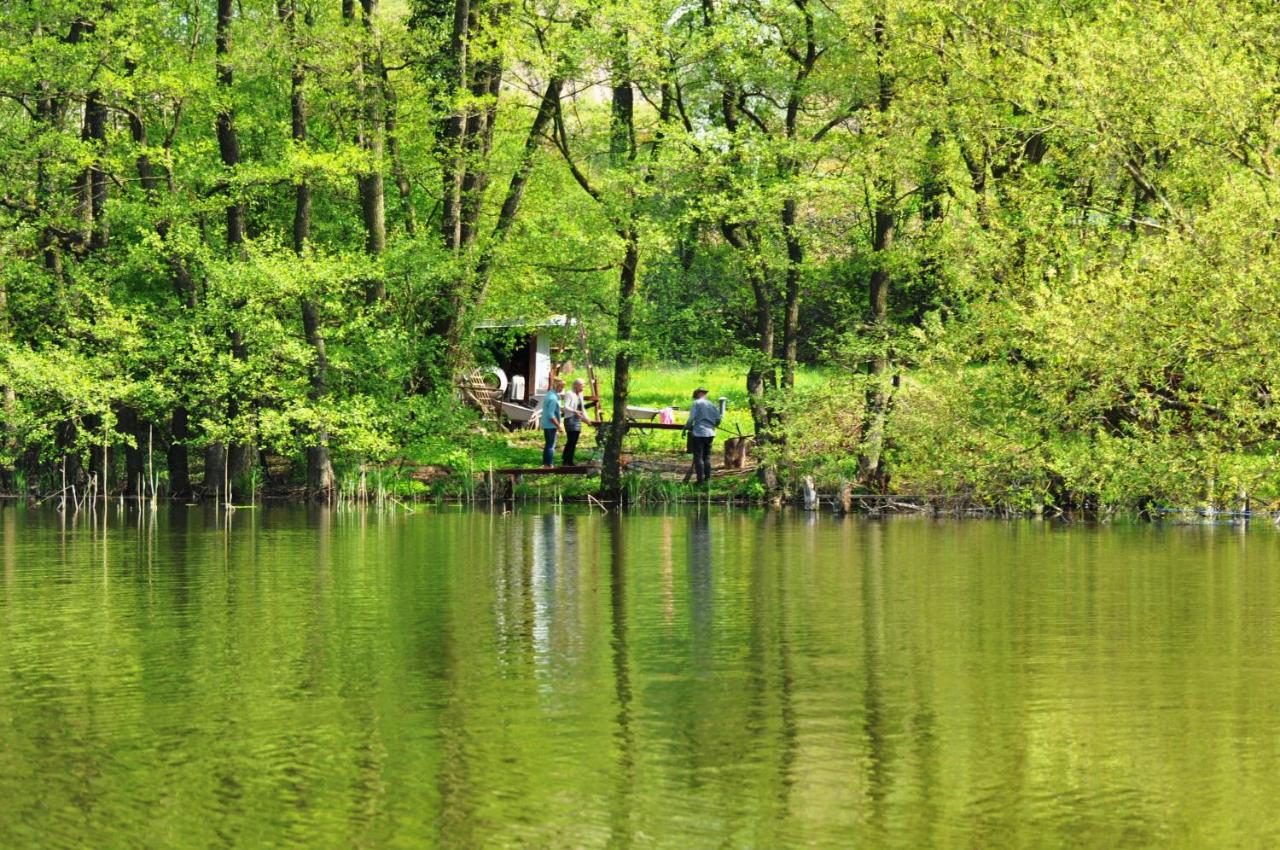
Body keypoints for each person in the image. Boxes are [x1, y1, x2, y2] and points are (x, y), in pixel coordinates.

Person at [683, 387, 722, 484]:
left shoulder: (696, 403)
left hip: (699, 433)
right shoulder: (711, 404)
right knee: (707, 457)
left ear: (697, 394)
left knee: (698, 457)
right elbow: (718, 419)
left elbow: (691, 418)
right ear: (704, 394)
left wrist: (685, 428)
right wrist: (713, 425)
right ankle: (708, 479)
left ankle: (700, 480)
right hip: (710, 433)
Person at [561, 378, 587, 466]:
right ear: (576, 385)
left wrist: (587, 419)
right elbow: (566, 407)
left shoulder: (580, 394)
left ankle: (568, 459)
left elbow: (582, 408)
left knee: (574, 441)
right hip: (570, 419)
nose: (583, 388)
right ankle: (566, 460)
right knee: (571, 440)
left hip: (577, 419)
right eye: (582, 386)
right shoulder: (569, 393)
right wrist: (575, 411)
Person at [540, 378, 564, 467]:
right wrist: (558, 426)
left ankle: (546, 464)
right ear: (557, 386)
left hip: (547, 424)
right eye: (561, 387)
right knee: (551, 446)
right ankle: (549, 465)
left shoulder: (550, 394)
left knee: (548, 444)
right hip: (550, 425)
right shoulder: (553, 398)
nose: (562, 389)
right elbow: (551, 415)